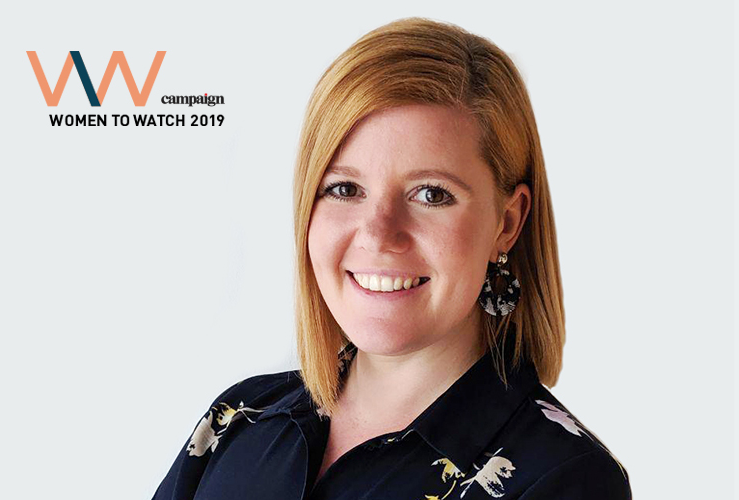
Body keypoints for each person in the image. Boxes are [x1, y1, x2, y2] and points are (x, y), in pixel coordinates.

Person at [151, 17, 632, 500]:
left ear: (506, 223)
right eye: (344, 189)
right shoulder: (238, 419)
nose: (379, 234)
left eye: (431, 194)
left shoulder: (566, 480)